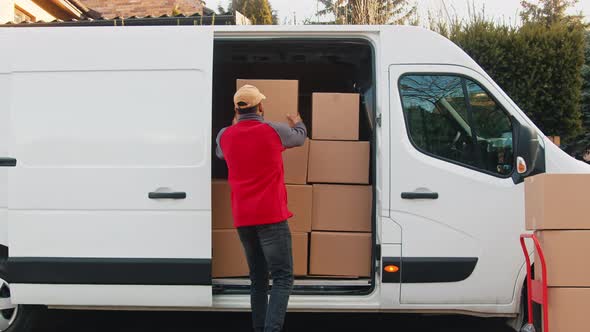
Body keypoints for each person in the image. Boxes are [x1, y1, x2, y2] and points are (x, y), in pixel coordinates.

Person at [215, 84, 307, 332]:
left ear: (236, 109)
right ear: (261, 107)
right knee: (282, 278)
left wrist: (235, 126)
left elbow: (221, 154)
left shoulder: (224, 135)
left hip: (243, 219)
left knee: (257, 280)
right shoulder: (274, 130)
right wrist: (298, 122)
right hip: (271, 218)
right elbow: (299, 138)